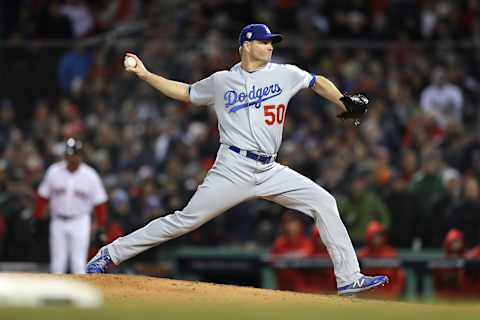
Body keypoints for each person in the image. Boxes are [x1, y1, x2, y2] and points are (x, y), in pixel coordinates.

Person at [86, 23, 388, 295]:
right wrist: (145, 74)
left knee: (323, 202)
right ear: (245, 45)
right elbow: (186, 91)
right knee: (183, 221)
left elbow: (316, 81)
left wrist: (343, 100)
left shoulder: (284, 73)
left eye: (272, 43)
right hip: (232, 167)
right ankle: (110, 254)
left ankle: (349, 277)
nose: (270, 47)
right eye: (264, 42)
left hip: (269, 168)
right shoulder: (222, 81)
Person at [34, 138, 108, 274]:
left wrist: (101, 227)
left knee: (78, 264)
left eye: (74, 155)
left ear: (81, 156)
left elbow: (100, 203)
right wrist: (38, 217)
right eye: (69, 155)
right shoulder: (54, 171)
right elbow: (43, 196)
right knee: (57, 265)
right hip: (58, 221)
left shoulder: (90, 175)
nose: (72, 158)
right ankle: (57, 294)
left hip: (80, 221)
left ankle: (77, 294)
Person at [356, 221, 405, 299]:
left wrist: (393, 294)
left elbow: (399, 277)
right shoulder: (361, 255)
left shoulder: (391, 254)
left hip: (387, 296)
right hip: (366, 298)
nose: (378, 238)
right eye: (375, 235)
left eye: (380, 235)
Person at [270, 212, 312, 292]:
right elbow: (272, 262)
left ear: (300, 225)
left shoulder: (307, 242)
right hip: (283, 288)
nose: (291, 226)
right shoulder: (279, 243)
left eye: (293, 223)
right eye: (288, 223)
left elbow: (310, 256)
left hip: (303, 289)